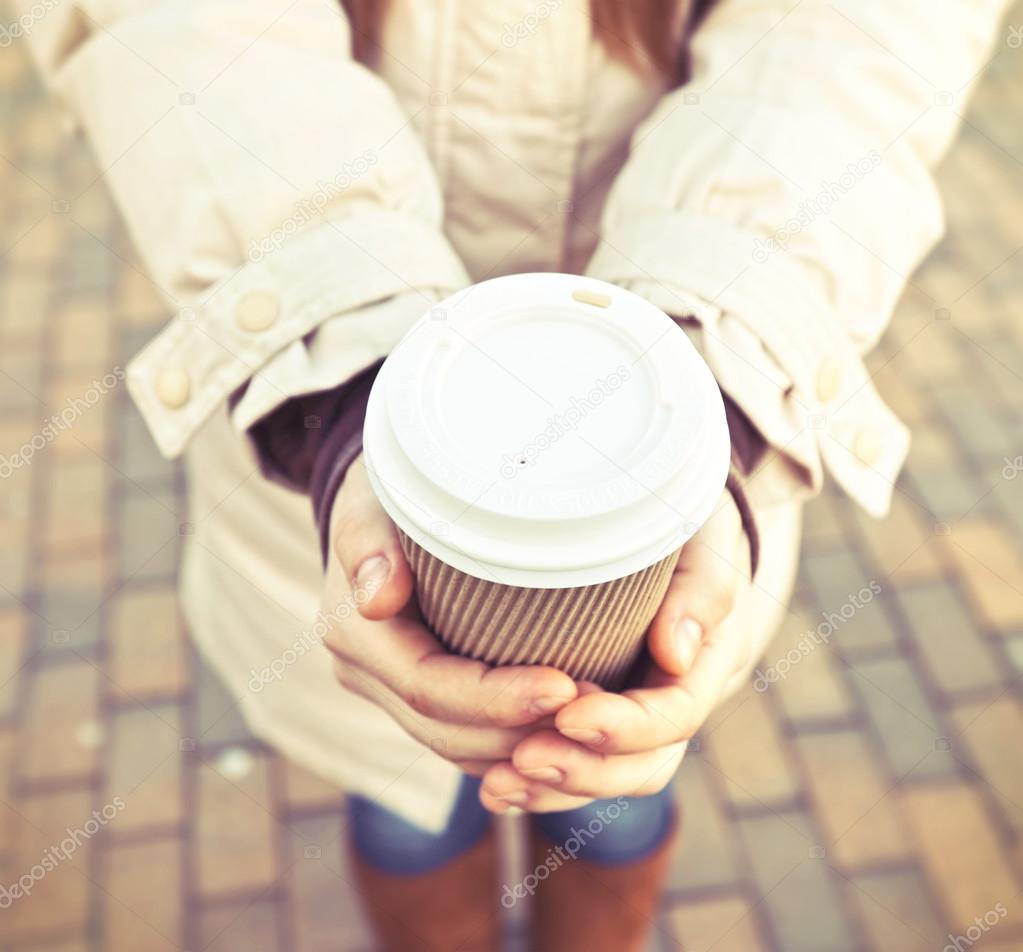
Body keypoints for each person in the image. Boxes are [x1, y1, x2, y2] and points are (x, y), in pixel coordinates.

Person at [18, 0, 1009, 948]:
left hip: (665, 471)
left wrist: (721, 355)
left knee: (610, 797)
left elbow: (863, 27)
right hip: (330, 435)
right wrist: (344, 375)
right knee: (405, 802)